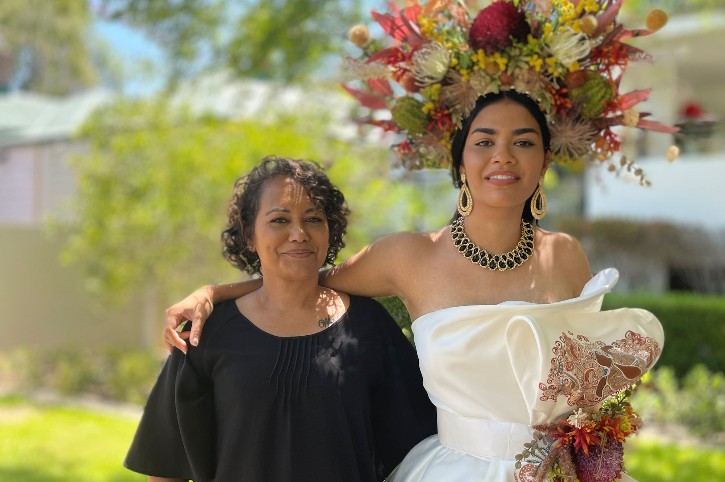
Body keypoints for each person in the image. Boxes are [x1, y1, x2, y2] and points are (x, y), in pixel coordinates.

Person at [163, 92, 665, 482]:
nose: (503, 157)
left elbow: (586, 383)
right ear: (461, 162)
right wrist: (214, 292)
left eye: (524, 141)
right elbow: (298, 277)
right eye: (485, 141)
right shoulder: (408, 256)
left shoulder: (567, 254)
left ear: (544, 162)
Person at [125, 156, 437, 482]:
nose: (299, 233)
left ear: (330, 230)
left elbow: (417, 451)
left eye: (314, 219)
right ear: (249, 234)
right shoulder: (206, 333)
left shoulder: (369, 327)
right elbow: (165, 467)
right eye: (279, 220)